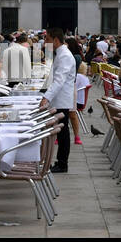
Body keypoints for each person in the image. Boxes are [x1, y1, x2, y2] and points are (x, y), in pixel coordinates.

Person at [39, 27, 75, 174]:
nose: (45, 42)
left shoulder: (64, 55)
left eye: (47, 39)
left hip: (62, 99)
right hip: (60, 98)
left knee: (63, 131)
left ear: (55, 40)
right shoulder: (60, 54)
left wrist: (46, 97)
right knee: (61, 131)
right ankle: (60, 162)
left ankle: (62, 163)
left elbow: (60, 80)